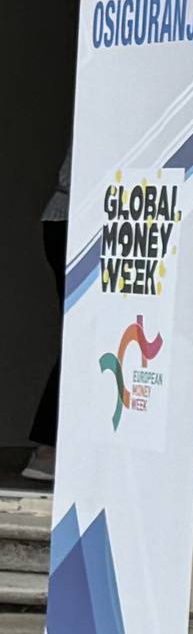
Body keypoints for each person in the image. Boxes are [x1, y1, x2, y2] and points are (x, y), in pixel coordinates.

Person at [24, 147, 70, 484]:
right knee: (88, 333)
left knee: (86, 334)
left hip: (68, 216)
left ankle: (49, 447)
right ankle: (48, 448)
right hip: (76, 216)